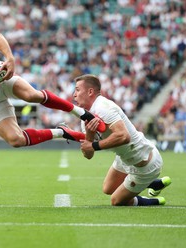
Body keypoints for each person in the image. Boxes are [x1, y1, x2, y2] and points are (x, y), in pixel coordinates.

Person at [0, 33, 105, 156]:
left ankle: (82, 113)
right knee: (16, 140)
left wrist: (9, 58)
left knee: (32, 96)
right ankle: (62, 132)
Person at [69, 74, 171, 206]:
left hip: (145, 165)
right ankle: (154, 184)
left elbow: (123, 136)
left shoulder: (103, 107)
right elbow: (88, 154)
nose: (74, 95)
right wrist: (89, 134)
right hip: (125, 157)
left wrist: (95, 145)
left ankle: (153, 201)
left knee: (116, 201)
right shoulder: (86, 118)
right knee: (108, 189)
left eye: (77, 90)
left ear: (90, 92)